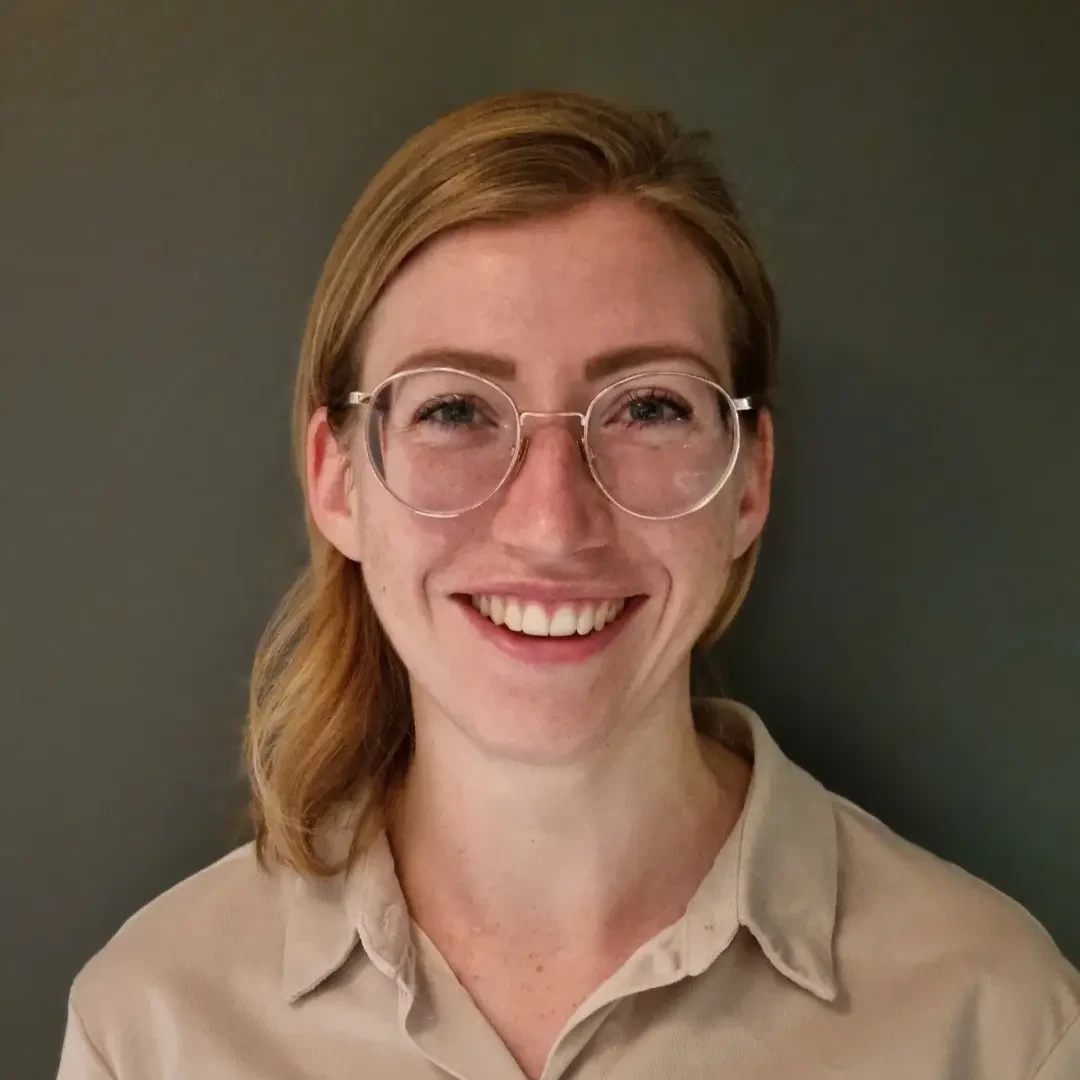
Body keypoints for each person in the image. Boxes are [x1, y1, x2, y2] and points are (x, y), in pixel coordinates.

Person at [58, 90, 1079, 1080]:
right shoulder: (155, 1024)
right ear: (335, 478)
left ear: (752, 479)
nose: (550, 523)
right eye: (455, 410)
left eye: (647, 408)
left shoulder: (993, 1023)